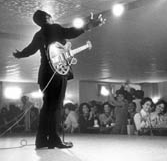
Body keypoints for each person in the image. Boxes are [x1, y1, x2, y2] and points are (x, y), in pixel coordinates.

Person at [13, 10, 105, 149]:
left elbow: (29, 50)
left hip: (44, 74)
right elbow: (71, 32)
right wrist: (90, 25)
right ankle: (55, 139)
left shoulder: (38, 35)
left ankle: (42, 140)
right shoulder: (55, 27)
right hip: (56, 73)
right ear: (47, 18)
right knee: (56, 107)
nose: (52, 17)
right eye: (50, 16)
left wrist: (19, 54)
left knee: (47, 108)